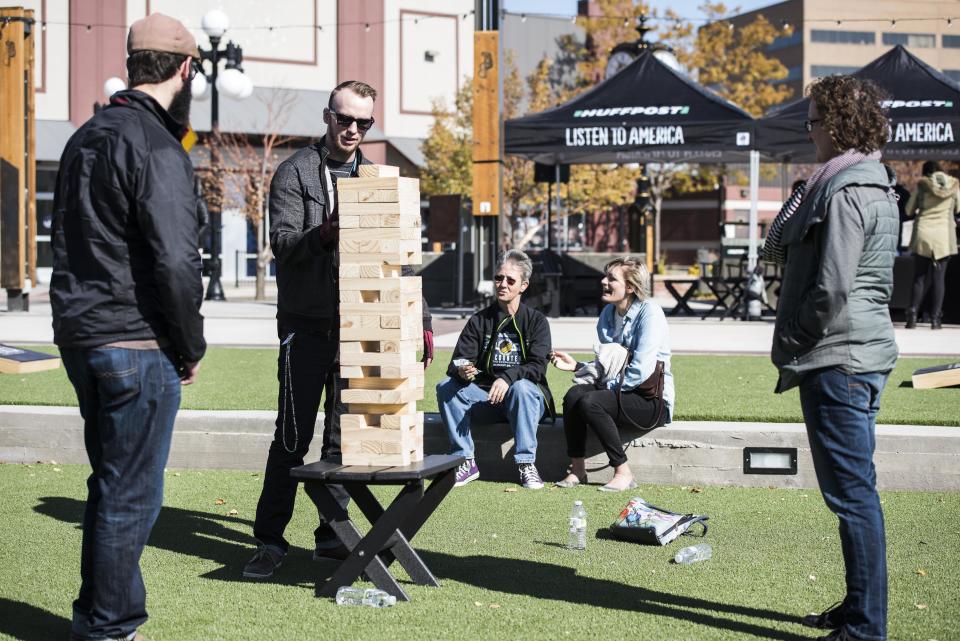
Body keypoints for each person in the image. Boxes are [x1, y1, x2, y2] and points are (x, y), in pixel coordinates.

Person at [50, 13, 205, 641]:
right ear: (186, 69)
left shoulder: (85, 135)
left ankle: (98, 619)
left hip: (82, 335)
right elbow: (175, 259)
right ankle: (111, 628)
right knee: (131, 495)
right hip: (133, 342)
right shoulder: (156, 145)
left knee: (111, 486)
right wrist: (190, 346)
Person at [243, 80, 434, 579]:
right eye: (344, 119)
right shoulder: (294, 173)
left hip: (362, 327)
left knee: (343, 441)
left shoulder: (375, 177)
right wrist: (325, 232)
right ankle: (269, 541)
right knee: (291, 438)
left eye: (363, 123)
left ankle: (331, 537)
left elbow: (402, 259)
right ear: (327, 116)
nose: (352, 130)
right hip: (304, 329)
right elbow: (283, 246)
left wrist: (421, 321)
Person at [773, 75, 899, 641]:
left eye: (813, 121)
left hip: (839, 357)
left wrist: (799, 338)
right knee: (855, 494)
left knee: (852, 498)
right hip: (859, 353)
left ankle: (866, 628)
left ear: (838, 125)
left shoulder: (846, 189)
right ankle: (858, 609)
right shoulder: (873, 182)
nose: (809, 133)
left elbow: (833, 287)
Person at [551, 256, 673, 492]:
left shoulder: (650, 313)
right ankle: (578, 469)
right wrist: (577, 366)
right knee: (574, 395)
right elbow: (609, 364)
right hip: (621, 392)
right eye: (605, 276)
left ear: (630, 287)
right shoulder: (608, 314)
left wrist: (606, 387)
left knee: (590, 402)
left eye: (611, 278)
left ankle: (623, 472)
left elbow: (640, 370)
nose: (603, 281)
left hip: (651, 400)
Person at [436, 250, 554, 489]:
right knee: (445, 387)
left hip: (525, 401)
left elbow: (538, 366)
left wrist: (508, 379)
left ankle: (526, 464)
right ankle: (464, 460)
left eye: (510, 280)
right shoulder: (479, 320)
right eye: (499, 278)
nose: (503, 284)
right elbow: (458, 361)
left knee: (521, 387)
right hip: (487, 399)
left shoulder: (537, 321)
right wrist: (462, 371)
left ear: (523, 285)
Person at [903, 160, 958, 330]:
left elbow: (908, 210)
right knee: (939, 279)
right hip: (944, 236)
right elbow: (958, 209)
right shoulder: (953, 186)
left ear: (926, 172)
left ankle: (912, 316)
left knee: (919, 277)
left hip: (924, 234)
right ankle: (935, 319)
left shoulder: (922, 186)